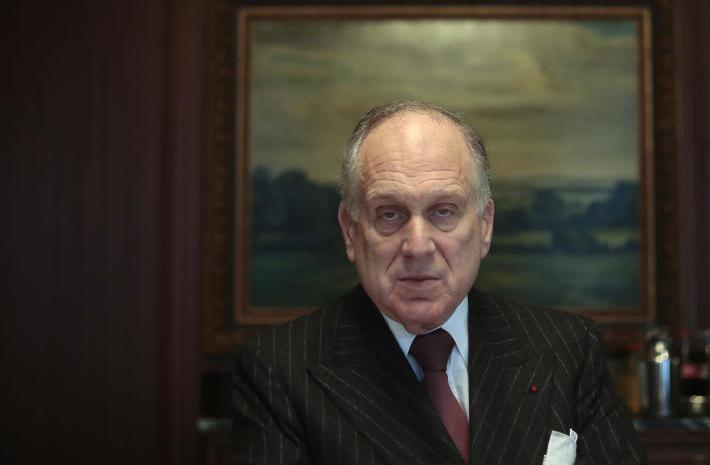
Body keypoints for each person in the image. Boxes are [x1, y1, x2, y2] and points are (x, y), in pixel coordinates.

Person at [230, 100, 646, 464]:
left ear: (485, 227)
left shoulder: (568, 350)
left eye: (443, 211)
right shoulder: (280, 370)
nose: (418, 246)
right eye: (390, 213)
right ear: (350, 231)